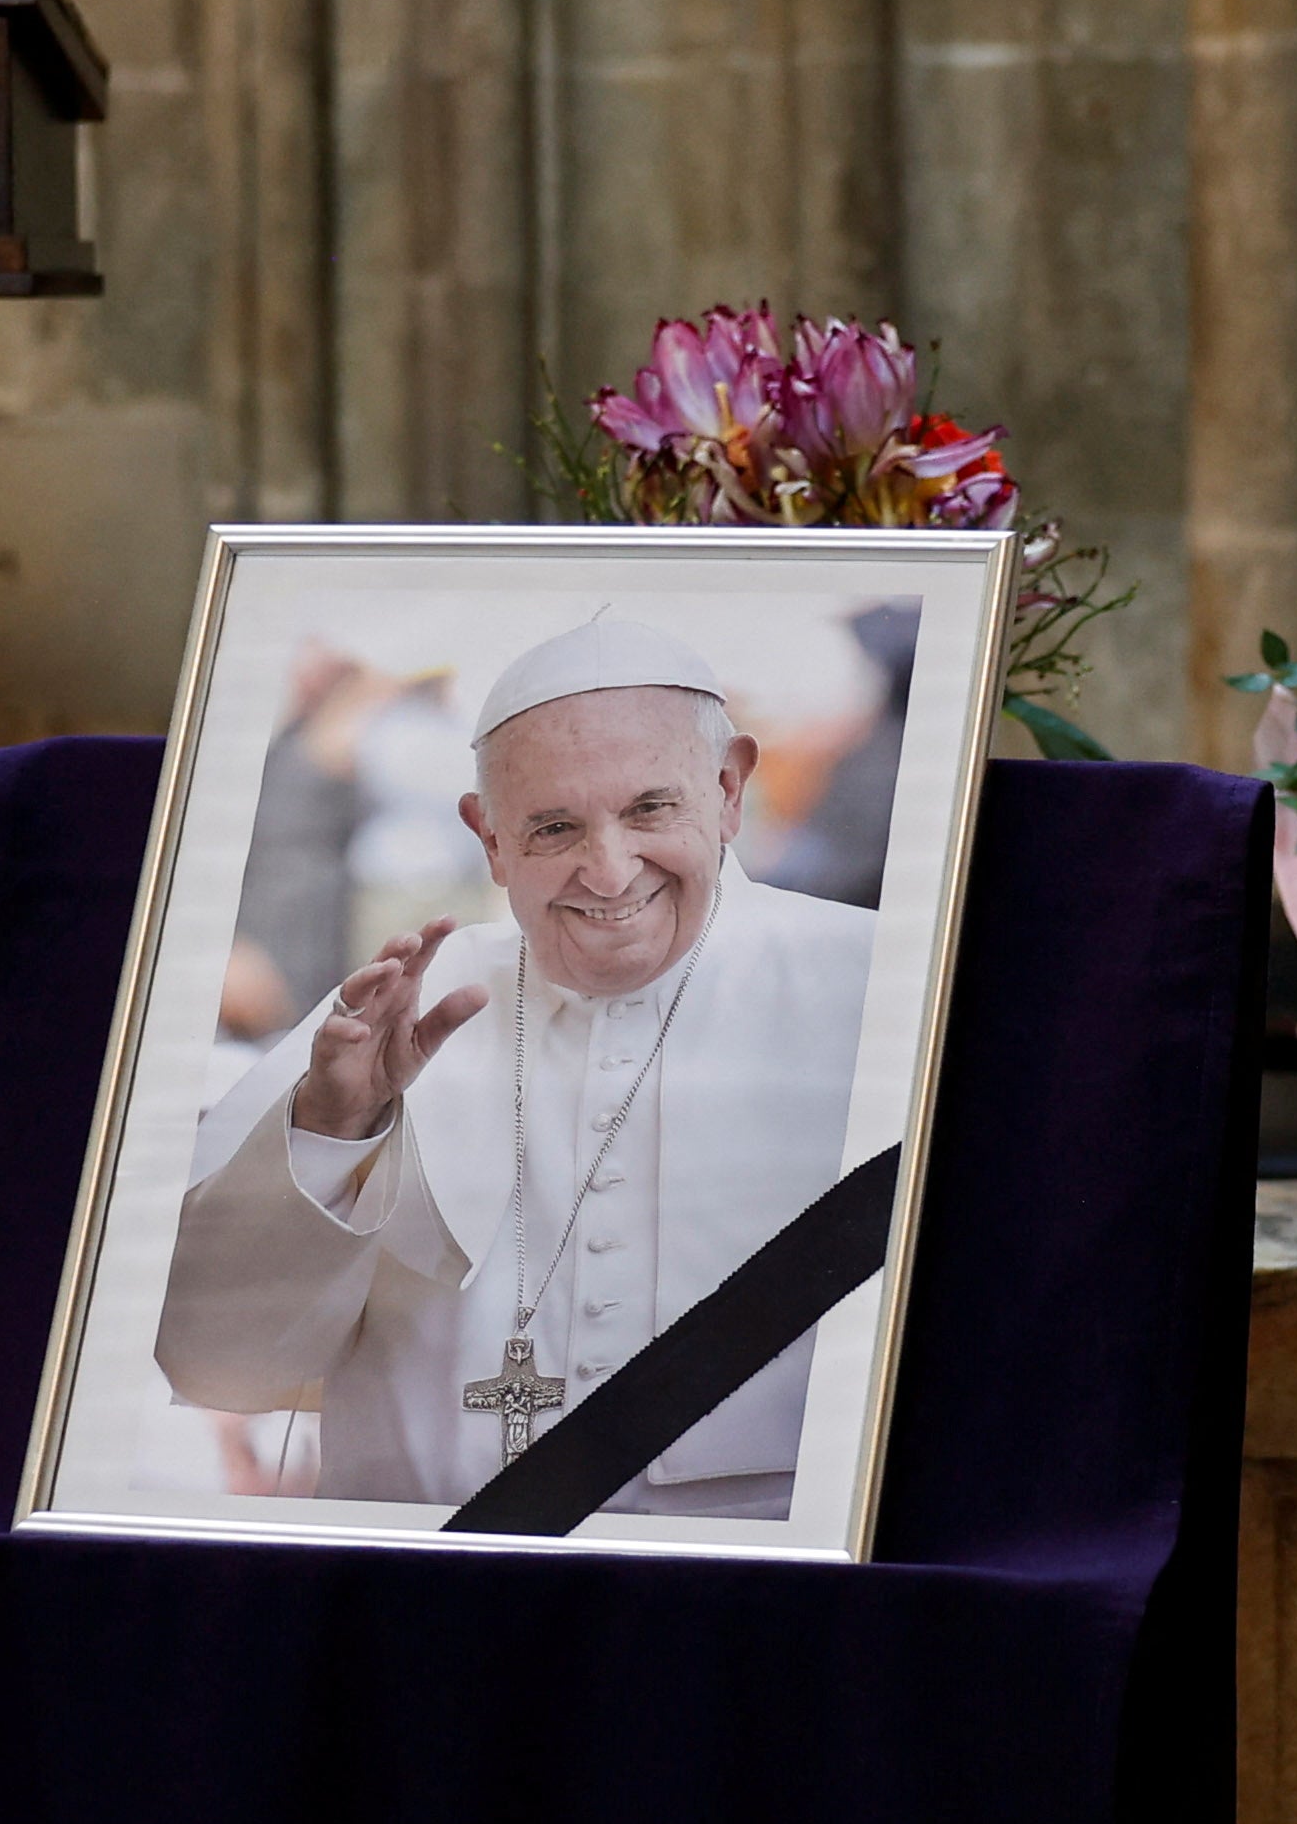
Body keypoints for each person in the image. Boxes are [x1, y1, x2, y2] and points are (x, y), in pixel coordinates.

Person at [157, 619, 878, 1517]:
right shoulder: (405, 1007)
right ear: (488, 837)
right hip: (428, 1600)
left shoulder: (884, 988)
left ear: (730, 788)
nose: (609, 874)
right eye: (553, 827)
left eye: (651, 809)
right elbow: (216, 1359)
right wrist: (329, 1130)